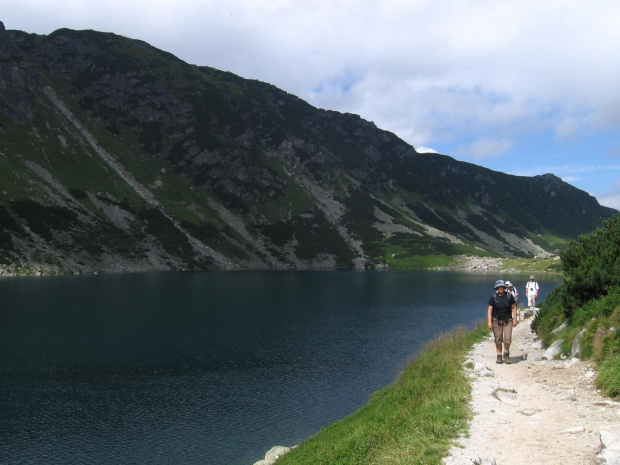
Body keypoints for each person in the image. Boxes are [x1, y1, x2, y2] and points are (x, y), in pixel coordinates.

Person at [487, 279, 517, 364]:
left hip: (508, 320)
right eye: (498, 287)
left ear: (504, 287)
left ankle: (506, 354)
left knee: (507, 339)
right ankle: (499, 355)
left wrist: (515, 319)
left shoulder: (509, 296)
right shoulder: (493, 297)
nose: (500, 288)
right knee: (498, 339)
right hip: (496, 320)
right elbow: (490, 310)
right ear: (496, 288)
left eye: (502, 287)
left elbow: (514, 307)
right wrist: (489, 322)